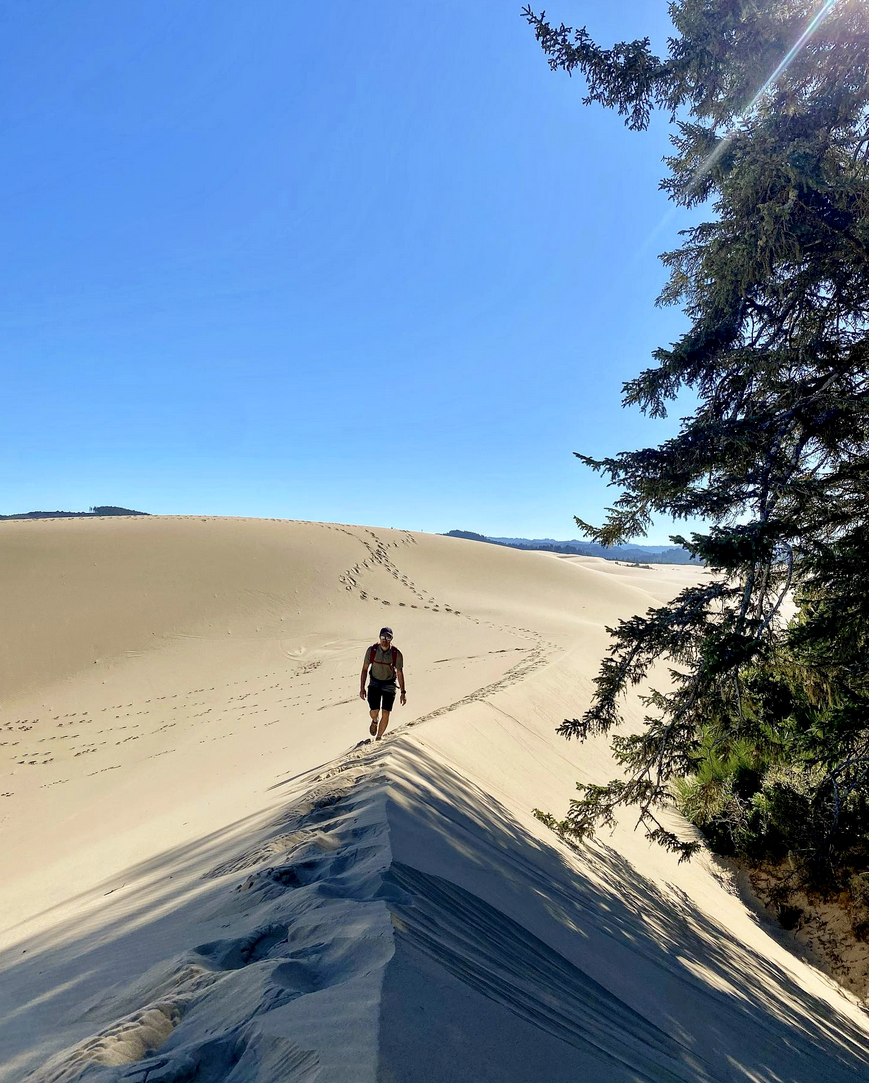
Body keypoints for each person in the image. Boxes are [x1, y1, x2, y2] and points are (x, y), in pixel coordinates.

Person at [359, 626, 406, 740]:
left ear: (391, 639)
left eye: (388, 638)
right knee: (374, 711)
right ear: (379, 637)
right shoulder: (372, 651)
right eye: (383, 637)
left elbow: (399, 673)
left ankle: (379, 737)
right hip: (374, 683)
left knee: (386, 712)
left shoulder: (396, 654)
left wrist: (403, 692)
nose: (385, 640)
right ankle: (375, 720)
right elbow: (364, 669)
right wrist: (362, 688)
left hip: (389, 685)